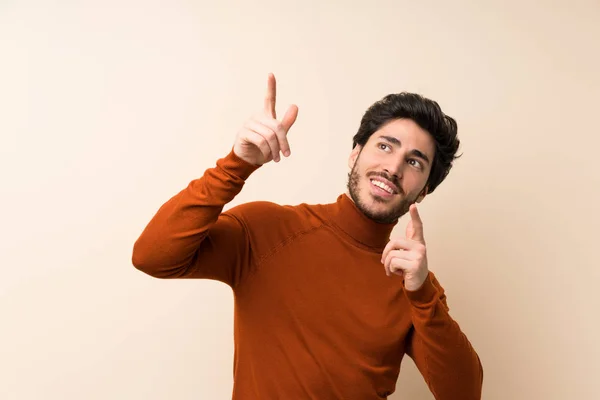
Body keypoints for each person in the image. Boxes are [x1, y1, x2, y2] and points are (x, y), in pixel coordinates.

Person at [132, 73, 484, 399]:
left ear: (423, 191)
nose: (393, 168)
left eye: (414, 162)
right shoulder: (267, 229)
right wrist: (235, 165)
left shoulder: (413, 284)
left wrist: (422, 294)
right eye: (385, 146)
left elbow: (463, 394)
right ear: (355, 153)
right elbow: (152, 256)